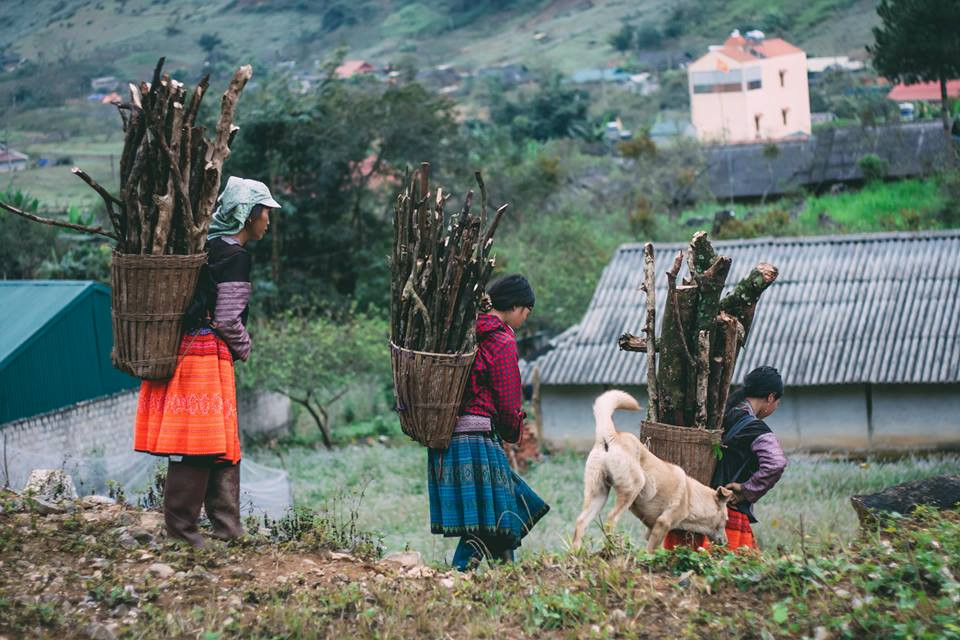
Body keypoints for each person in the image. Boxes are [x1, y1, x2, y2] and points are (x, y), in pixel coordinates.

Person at [135, 176, 280, 547]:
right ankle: (183, 533)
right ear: (248, 215)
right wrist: (245, 346)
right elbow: (228, 319)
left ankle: (227, 530)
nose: (268, 220)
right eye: (265, 212)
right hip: (203, 358)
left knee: (220, 441)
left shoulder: (210, 248)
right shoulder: (235, 257)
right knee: (200, 442)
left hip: (190, 352)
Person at [428, 274, 550, 570]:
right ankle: (459, 574)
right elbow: (509, 402)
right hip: (477, 437)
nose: (524, 319)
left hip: (447, 438)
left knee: (503, 510)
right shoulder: (501, 339)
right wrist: (513, 431)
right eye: (526, 312)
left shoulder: (463, 331)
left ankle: (507, 574)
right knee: (495, 514)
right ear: (517, 306)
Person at [664, 365, 789, 551]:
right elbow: (776, 463)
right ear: (771, 397)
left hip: (691, 509)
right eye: (776, 403)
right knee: (724, 574)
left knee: (680, 568)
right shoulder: (755, 428)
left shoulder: (719, 414)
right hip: (726, 516)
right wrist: (746, 490)